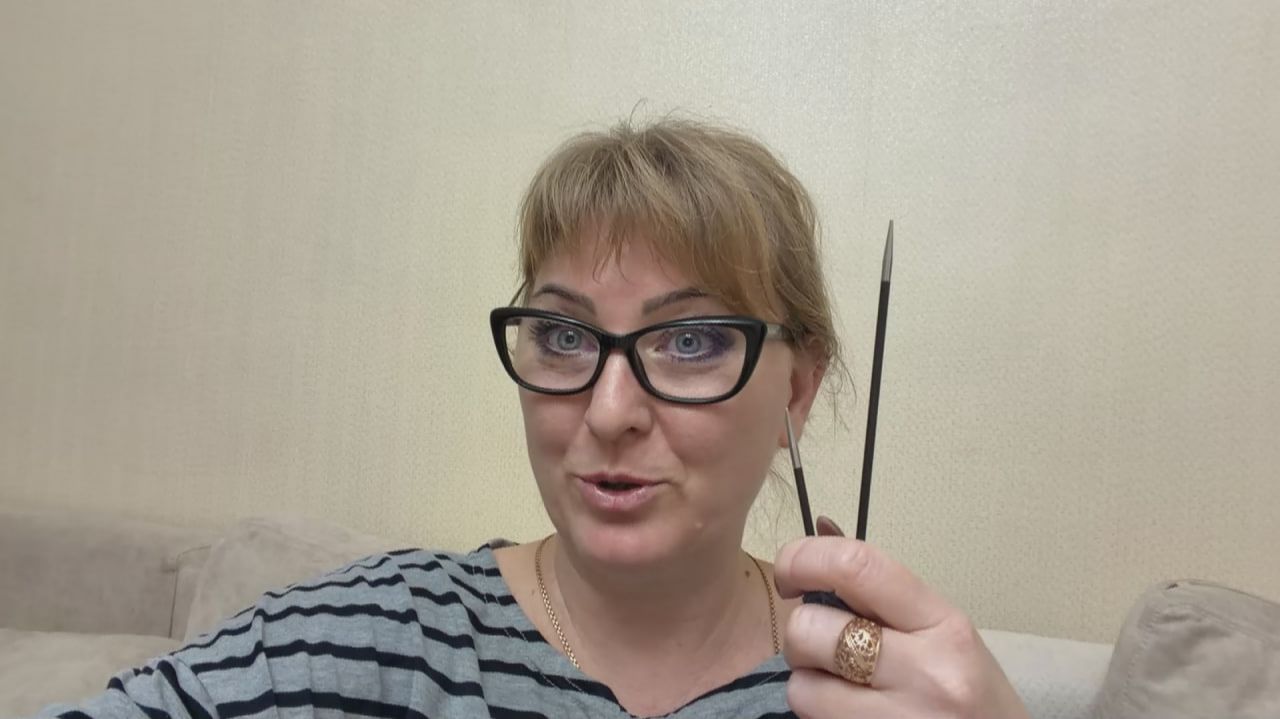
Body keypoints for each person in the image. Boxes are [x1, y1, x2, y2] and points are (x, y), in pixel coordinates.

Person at [32, 119, 1028, 719]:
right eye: (561, 335)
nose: (608, 410)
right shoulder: (378, 639)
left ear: (796, 393)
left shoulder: (880, 694)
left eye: (689, 340)